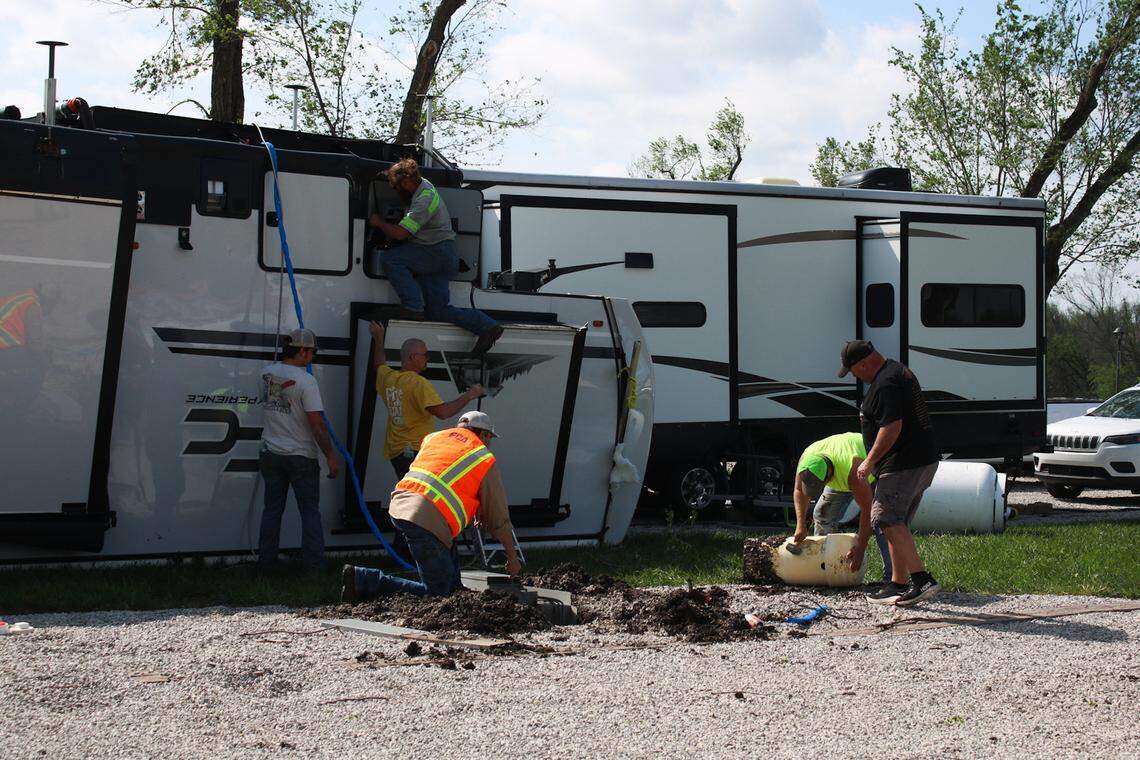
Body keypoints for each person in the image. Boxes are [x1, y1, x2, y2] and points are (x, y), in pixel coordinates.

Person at [341, 410, 519, 599]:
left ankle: (455, 588)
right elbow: (499, 518)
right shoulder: (483, 457)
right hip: (427, 518)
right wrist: (512, 558)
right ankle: (364, 580)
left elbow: (444, 478)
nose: (489, 443)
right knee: (439, 594)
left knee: (451, 584)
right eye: (489, 437)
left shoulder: (435, 438)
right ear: (483, 434)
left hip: (404, 503)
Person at [838, 340, 942, 606]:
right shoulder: (897, 371)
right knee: (895, 522)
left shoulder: (885, 383)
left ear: (863, 364)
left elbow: (891, 427)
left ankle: (922, 580)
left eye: (853, 371)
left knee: (885, 517)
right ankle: (898, 583)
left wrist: (869, 461)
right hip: (920, 459)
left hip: (903, 462)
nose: (855, 376)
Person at [369, 157, 503, 356]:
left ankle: (412, 306)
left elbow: (401, 234)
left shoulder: (424, 200)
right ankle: (487, 326)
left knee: (391, 259)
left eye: (397, 186)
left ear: (407, 181)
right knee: (438, 311)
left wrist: (379, 222)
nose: (396, 191)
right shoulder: (422, 186)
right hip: (442, 255)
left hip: (435, 253)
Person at [258, 328, 339, 569]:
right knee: (309, 512)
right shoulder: (306, 381)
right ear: (302, 351)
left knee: (271, 511)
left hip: (270, 452)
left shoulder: (266, 373)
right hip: (301, 455)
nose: (312, 357)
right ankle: (314, 566)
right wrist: (330, 456)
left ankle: (266, 564)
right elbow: (317, 426)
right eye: (312, 352)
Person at [367, 320, 484, 479]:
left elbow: (379, 364)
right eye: (425, 355)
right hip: (415, 450)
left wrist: (378, 338)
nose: (427, 358)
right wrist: (470, 395)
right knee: (419, 491)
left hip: (396, 451)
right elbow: (443, 412)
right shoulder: (418, 383)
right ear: (413, 357)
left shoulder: (389, 378)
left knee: (408, 488)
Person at [792, 431, 894, 585]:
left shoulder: (854, 472)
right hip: (841, 469)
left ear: (829, 474)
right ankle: (824, 568)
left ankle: (892, 578)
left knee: (882, 521)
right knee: (822, 514)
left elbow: (868, 511)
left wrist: (860, 548)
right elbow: (799, 491)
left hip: (873, 471)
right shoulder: (806, 460)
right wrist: (800, 525)